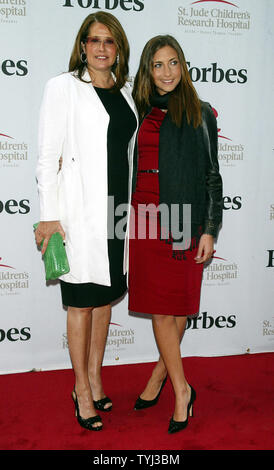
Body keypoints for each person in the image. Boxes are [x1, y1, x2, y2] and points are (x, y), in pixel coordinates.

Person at [35, 12, 138, 431]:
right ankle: (80, 388)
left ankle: (96, 377)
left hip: (117, 214)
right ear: (82, 46)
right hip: (78, 213)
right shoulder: (62, 87)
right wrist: (49, 218)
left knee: (104, 299)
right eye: (93, 40)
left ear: (118, 50)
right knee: (81, 302)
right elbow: (46, 157)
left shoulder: (126, 92)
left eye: (109, 42)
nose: (101, 48)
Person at [128, 35, 222, 434]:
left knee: (175, 311)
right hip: (142, 218)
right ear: (148, 71)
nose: (167, 73)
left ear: (183, 66)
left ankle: (168, 384)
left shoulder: (200, 113)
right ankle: (171, 382)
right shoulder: (141, 112)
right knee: (162, 309)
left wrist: (211, 229)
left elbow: (212, 175)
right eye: (158, 65)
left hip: (183, 219)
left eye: (173, 63)